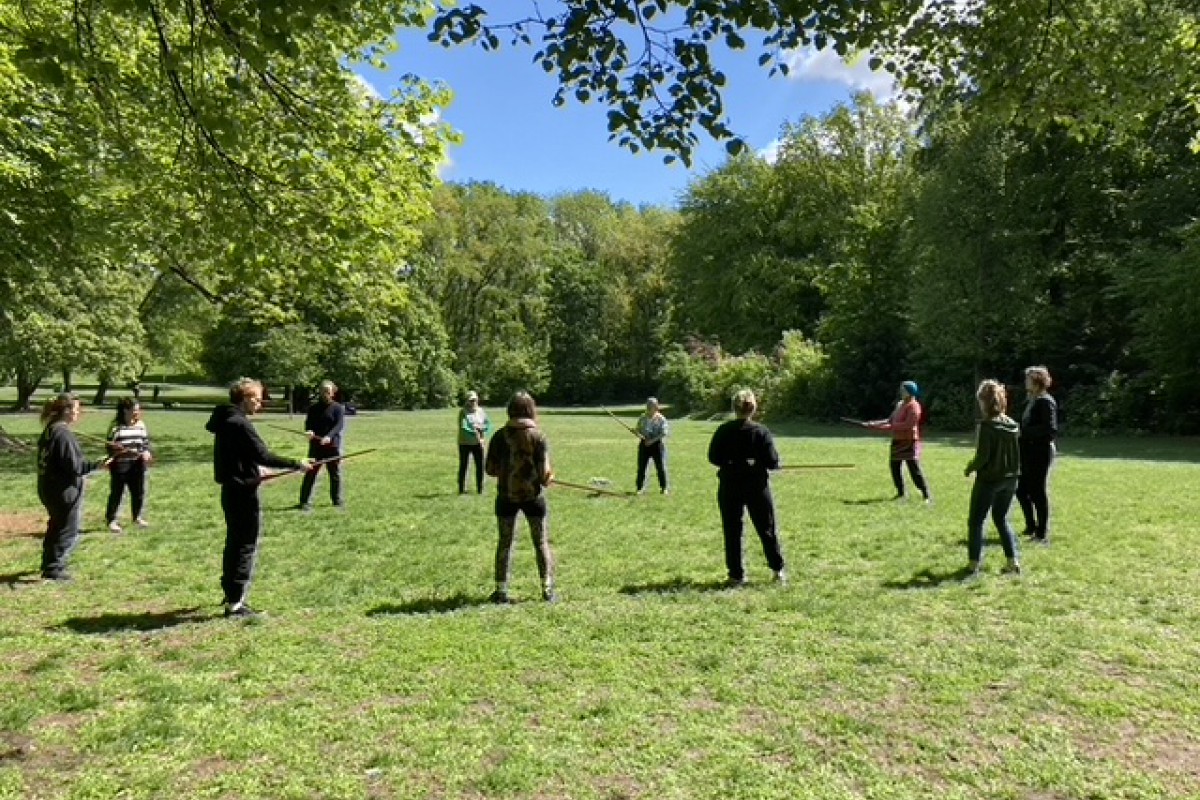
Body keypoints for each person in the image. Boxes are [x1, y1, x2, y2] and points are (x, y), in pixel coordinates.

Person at [206, 378, 310, 618]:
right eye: (257, 399)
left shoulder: (225, 419)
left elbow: (238, 456)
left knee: (234, 542)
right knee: (245, 544)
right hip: (243, 492)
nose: (260, 403)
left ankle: (230, 593)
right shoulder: (239, 423)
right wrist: (296, 464)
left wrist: (254, 470)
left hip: (232, 489)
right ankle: (235, 603)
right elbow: (262, 454)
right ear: (244, 398)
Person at [706, 389, 787, 587]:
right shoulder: (761, 432)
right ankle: (777, 570)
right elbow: (772, 461)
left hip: (730, 485)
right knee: (766, 528)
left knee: (732, 530)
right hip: (756, 487)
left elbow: (713, 457)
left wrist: (732, 463)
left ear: (734, 408)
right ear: (753, 408)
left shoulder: (724, 430)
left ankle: (736, 575)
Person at [484, 391, 557, 604]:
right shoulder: (538, 437)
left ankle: (501, 591)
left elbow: (490, 469)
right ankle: (547, 589)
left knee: (504, 543)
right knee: (540, 542)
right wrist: (549, 478)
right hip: (533, 497)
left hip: (506, 496)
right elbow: (544, 475)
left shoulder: (499, 436)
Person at [37, 393, 109, 581]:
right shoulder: (63, 434)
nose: (78, 412)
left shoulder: (50, 430)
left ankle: (49, 563)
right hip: (63, 490)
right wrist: (97, 465)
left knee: (56, 525)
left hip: (48, 487)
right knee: (67, 529)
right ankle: (54, 569)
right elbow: (74, 466)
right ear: (66, 410)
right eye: (76, 409)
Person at [963, 379, 1022, 577]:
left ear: (984, 402)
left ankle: (973, 564)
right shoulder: (1012, 425)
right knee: (1002, 519)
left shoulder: (987, 426)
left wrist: (969, 468)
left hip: (989, 480)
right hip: (1011, 479)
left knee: (976, 521)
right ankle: (1012, 561)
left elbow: (983, 456)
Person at [863, 380, 932, 503]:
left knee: (914, 469)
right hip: (897, 440)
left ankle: (926, 494)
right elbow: (890, 420)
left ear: (910, 392)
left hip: (909, 441)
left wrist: (886, 428)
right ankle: (901, 493)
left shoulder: (914, 406)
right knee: (894, 467)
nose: (901, 391)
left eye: (903, 390)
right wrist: (874, 424)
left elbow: (908, 425)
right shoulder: (900, 404)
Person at [1015, 366, 1058, 543]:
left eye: (1029, 379)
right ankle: (1031, 525)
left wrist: (1024, 432)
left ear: (1037, 381)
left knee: (1037, 491)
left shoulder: (1046, 402)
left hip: (1040, 451)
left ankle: (1041, 532)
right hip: (1027, 451)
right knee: (1021, 490)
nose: (1026, 382)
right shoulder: (1031, 400)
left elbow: (1050, 429)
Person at [105, 398, 153, 533]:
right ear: (125, 410)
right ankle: (111, 520)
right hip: (120, 464)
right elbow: (108, 445)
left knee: (138, 492)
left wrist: (146, 452)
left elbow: (145, 443)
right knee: (117, 492)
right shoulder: (115, 426)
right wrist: (116, 449)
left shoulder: (141, 425)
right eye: (134, 410)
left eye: (138, 409)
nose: (137, 412)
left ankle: (137, 517)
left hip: (137, 463)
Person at [299, 380, 346, 512]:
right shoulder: (313, 408)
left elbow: (339, 425)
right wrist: (309, 431)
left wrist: (329, 436)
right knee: (311, 473)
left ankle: (336, 500)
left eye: (328, 392)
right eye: (323, 391)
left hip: (332, 446)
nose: (325, 394)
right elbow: (309, 424)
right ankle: (304, 501)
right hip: (316, 446)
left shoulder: (338, 408)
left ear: (332, 393)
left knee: (334, 474)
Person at [457, 390, 490, 494]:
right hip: (465, 443)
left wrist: (482, 429)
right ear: (467, 401)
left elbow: (488, 424)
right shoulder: (463, 412)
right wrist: (474, 431)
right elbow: (464, 426)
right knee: (464, 465)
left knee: (480, 466)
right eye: (471, 400)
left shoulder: (481, 411)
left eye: (475, 400)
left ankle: (480, 489)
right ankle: (462, 489)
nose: (473, 402)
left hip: (478, 443)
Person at [635, 397, 670, 495]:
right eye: (648, 405)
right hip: (644, 445)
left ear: (656, 407)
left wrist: (652, 441)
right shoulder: (642, 417)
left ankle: (664, 488)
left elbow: (664, 433)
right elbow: (638, 430)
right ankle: (639, 488)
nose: (649, 407)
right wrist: (636, 432)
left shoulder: (661, 419)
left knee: (660, 467)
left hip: (657, 446)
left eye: (652, 406)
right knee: (641, 468)